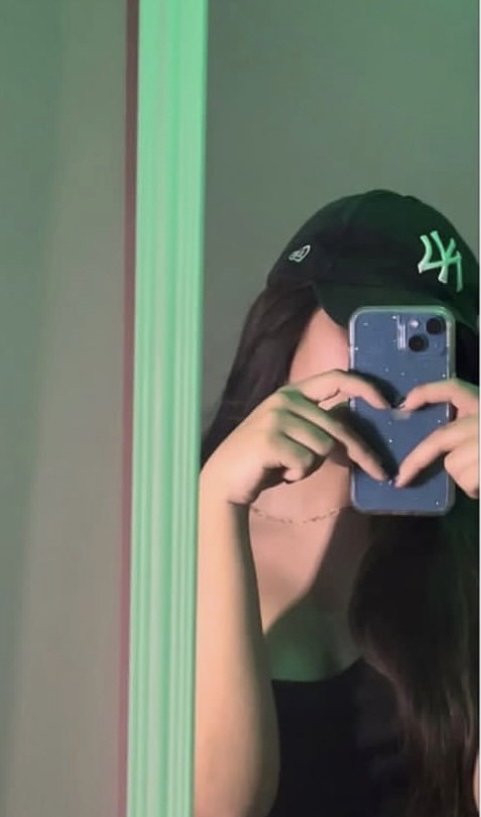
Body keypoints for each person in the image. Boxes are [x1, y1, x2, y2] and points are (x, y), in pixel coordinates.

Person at [194, 190, 479, 817]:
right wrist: (215, 503)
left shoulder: (464, 545)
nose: (398, 377)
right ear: (286, 320)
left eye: (428, 344)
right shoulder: (159, 518)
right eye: (375, 330)